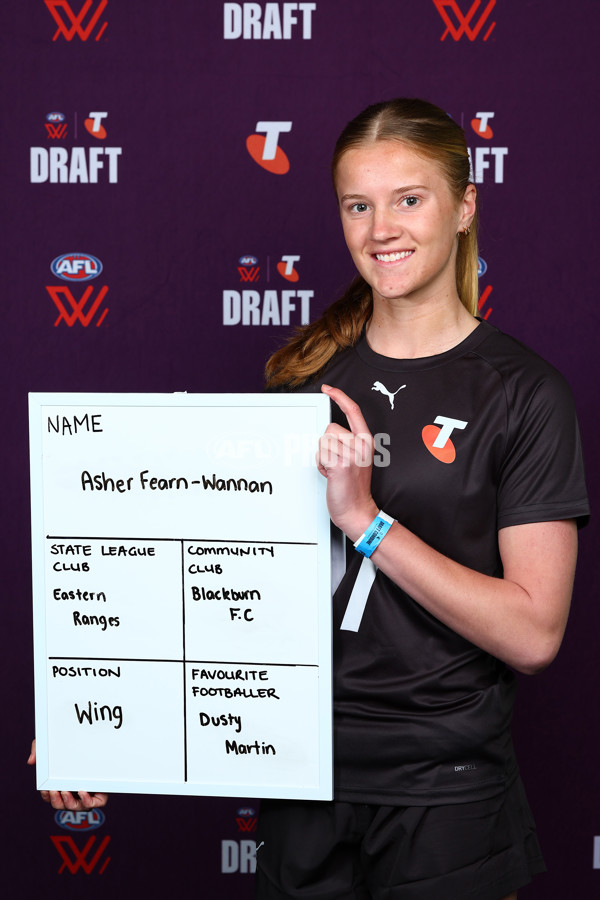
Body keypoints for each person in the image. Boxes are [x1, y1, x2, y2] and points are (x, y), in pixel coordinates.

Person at [254, 98, 590, 899]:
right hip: (301, 780)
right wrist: (98, 714)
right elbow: (226, 580)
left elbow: (536, 632)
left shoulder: (525, 394)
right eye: (358, 205)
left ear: (465, 205)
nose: (381, 230)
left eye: (409, 199)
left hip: (449, 793)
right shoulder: (302, 386)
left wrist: (364, 521)